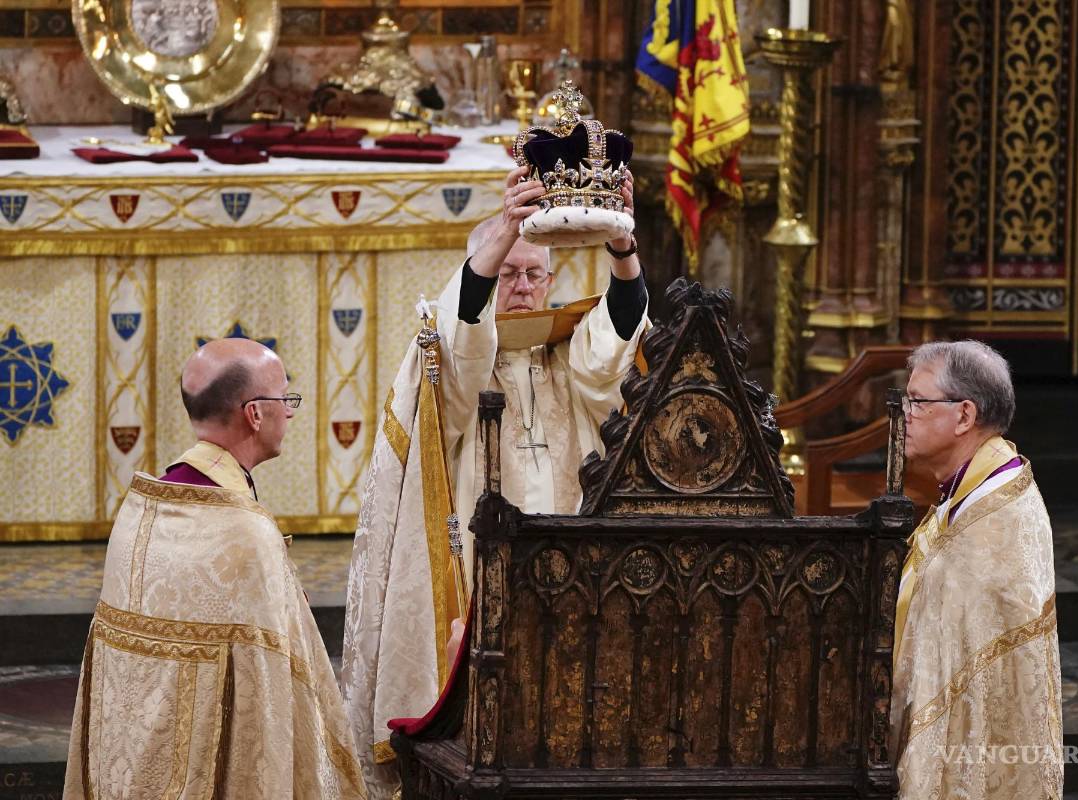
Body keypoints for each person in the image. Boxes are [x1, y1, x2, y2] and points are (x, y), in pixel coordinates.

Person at [342, 165, 649, 798]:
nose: (523, 285)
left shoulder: (566, 348)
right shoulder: (455, 349)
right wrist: (507, 230)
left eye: (535, 273)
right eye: (509, 272)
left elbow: (615, 344)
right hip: (478, 557)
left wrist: (622, 247)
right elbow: (462, 353)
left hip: (570, 553)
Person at [64, 338, 365, 799]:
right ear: (255, 414)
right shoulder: (244, 530)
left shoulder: (140, 508)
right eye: (285, 399)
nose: (291, 412)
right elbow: (271, 696)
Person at [890, 340, 1062, 800]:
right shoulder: (972, 487)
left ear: (964, 415)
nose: (904, 413)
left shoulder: (995, 516)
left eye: (919, 402)